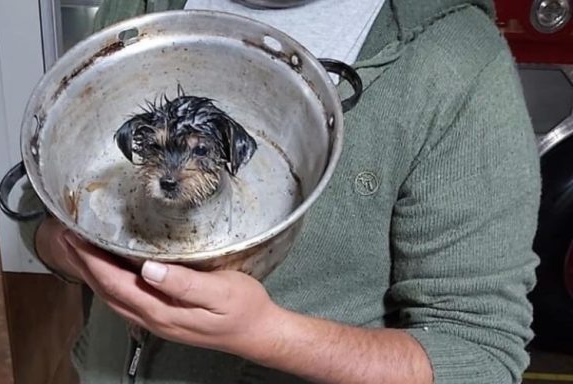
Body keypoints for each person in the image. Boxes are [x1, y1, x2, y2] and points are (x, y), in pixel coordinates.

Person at [30, 0, 542, 382]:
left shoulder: (453, 59)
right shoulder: (139, 11)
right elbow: (44, 211)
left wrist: (265, 334)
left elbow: (483, 358)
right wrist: (72, 251)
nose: (170, 171)